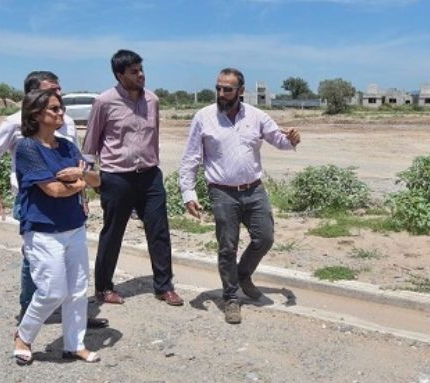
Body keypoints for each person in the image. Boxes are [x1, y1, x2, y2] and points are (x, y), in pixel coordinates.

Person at [0, 71, 108, 329]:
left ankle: (72, 313)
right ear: (33, 96)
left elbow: (77, 158)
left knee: (70, 261)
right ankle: (30, 310)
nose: (58, 96)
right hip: (34, 199)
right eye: (51, 91)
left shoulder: (65, 120)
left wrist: (82, 187)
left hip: (70, 198)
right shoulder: (14, 124)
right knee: (34, 257)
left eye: (59, 90)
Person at [179, 68, 301, 324]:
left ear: (241, 91)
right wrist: (188, 192)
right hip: (222, 192)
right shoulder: (204, 117)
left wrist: (292, 139)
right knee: (227, 247)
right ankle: (231, 298)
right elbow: (191, 157)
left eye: (227, 89)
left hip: (254, 190)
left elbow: (279, 140)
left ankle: (243, 274)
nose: (221, 94)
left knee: (264, 238)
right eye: (219, 88)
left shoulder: (257, 116)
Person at [83, 49, 182, 306]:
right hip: (117, 177)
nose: (140, 75)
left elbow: (154, 136)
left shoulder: (152, 100)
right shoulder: (104, 102)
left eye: (141, 69)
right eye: (133, 71)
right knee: (113, 233)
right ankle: (103, 287)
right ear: (119, 75)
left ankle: (164, 286)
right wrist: (87, 177)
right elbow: (91, 142)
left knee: (159, 231)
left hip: (149, 176)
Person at [12, 89, 101, 365]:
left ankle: (74, 344)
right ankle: (23, 336)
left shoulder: (67, 145)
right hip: (42, 230)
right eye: (54, 109)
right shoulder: (27, 147)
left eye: (61, 108)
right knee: (52, 290)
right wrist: (79, 182)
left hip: (74, 226)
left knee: (77, 290)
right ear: (36, 114)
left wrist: (80, 176)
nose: (61, 113)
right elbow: (52, 189)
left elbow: (97, 180)